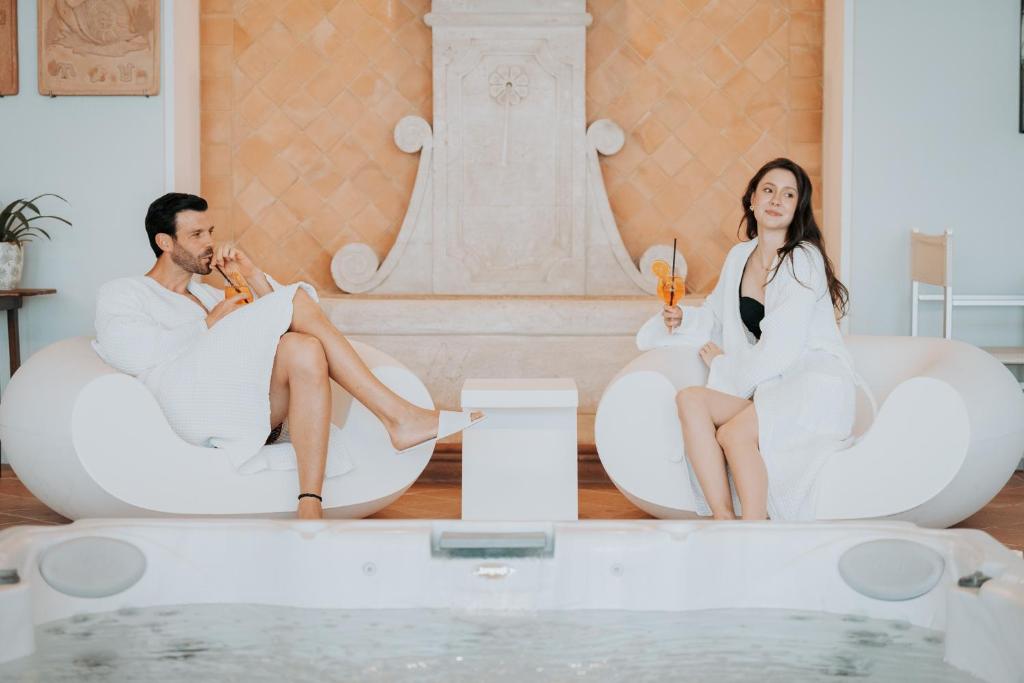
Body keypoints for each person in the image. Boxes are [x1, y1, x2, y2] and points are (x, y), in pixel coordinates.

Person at [93, 193, 483, 519]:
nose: (209, 241)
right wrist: (208, 324)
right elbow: (130, 352)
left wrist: (253, 275)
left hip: (236, 404)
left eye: (210, 231)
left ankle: (309, 502)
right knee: (293, 300)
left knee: (303, 348)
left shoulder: (211, 294)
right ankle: (397, 415)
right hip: (184, 408)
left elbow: (281, 327)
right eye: (196, 234)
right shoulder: (125, 292)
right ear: (165, 242)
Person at [637, 158, 860, 521]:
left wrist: (724, 365)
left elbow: (784, 348)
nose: (776, 200)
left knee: (733, 435)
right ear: (752, 199)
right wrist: (683, 318)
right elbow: (716, 313)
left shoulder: (802, 259)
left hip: (810, 385)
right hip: (771, 387)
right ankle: (723, 520)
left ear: (797, 208)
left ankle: (754, 529)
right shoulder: (740, 255)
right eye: (768, 190)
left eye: (788, 195)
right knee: (690, 400)